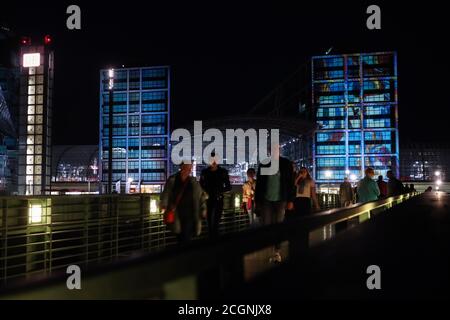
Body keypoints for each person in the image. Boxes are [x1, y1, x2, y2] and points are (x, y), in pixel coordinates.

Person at [254, 145, 295, 263]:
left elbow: (291, 183)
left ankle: (277, 251)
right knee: (267, 225)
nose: (274, 151)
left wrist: (291, 200)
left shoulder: (286, 164)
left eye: (276, 149)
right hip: (266, 199)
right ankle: (270, 248)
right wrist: (258, 201)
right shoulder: (264, 164)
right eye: (272, 149)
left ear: (279, 150)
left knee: (279, 224)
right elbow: (259, 184)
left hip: (281, 199)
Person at [160, 162, 207, 244]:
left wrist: (203, 209)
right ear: (181, 167)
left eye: (189, 169)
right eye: (186, 168)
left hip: (190, 213)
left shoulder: (193, 182)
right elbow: (166, 193)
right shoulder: (173, 180)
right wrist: (164, 205)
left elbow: (201, 196)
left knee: (185, 235)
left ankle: (183, 253)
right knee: (179, 234)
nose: (188, 170)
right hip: (176, 213)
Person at [200, 152, 232, 239]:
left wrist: (219, 191)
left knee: (215, 222)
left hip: (218, 199)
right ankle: (213, 241)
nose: (213, 162)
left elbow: (228, 186)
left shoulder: (222, 172)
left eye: (215, 160)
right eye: (212, 160)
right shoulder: (205, 172)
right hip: (209, 200)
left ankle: (213, 241)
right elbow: (200, 186)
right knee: (210, 223)